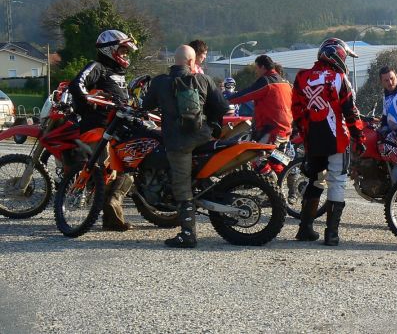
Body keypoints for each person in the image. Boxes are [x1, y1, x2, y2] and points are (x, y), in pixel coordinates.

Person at [143, 45, 229, 248]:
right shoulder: (204, 79)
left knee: (182, 187)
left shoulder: (160, 82)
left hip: (178, 142)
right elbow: (222, 107)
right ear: (192, 62)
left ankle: (188, 234)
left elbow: (146, 106)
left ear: (174, 61)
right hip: (203, 138)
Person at [292, 38, 365, 246]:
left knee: (315, 181)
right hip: (336, 138)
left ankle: (305, 229)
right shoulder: (340, 78)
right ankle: (331, 234)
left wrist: (305, 133)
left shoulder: (301, 77)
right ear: (337, 54)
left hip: (313, 139)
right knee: (337, 181)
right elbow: (350, 112)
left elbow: (296, 110)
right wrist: (359, 137)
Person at [69, 29, 138, 232]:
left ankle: (112, 209)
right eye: (123, 51)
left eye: (127, 52)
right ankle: (110, 217)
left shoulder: (119, 74)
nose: (125, 55)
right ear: (110, 50)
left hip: (118, 128)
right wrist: (89, 100)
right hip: (97, 128)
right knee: (108, 171)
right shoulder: (97, 67)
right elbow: (77, 84)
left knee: (131, 167)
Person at [228, 55, 293, 173]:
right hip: (285, 129)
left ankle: (270, 185)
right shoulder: (285, 83)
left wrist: (226, 100)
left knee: (256, 159)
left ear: (262, 67)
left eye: (257, 68)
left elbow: (247, 94)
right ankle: (286, 178)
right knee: (276, 162)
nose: (256, 72)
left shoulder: (266, 81)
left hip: (271, 130)